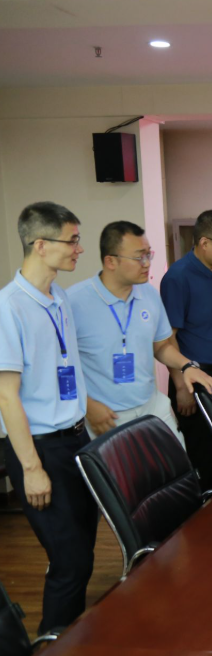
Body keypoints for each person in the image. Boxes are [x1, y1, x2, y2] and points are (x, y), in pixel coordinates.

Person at [0, 202, 95, 634]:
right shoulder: (9, 307)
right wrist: (31, 468)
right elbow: (6, 396)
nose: (79, 248)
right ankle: (52, 641)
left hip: (76, 439)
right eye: (72, 240)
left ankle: (70, 636)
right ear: (40, 245)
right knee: (69, 561)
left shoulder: (59, 297)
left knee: (82, 553)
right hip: (40, 449)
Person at [68, 221, 212, 445]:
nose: (147, 263)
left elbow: (161, 346)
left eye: (149, 255)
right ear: (111, 261)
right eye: (139, 257)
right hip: (107, 416)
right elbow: (59, 366)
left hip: (152, 406)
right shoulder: (73, 302)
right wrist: (87, 406)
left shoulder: (148, 294)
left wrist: (187, 366)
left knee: (177, 462)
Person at [160, 209, 212, 487]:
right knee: (202, 454)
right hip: (194, 379)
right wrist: (181, 386)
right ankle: (203, 507)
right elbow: (168, 339)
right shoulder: (178, 277)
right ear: (204, 242)